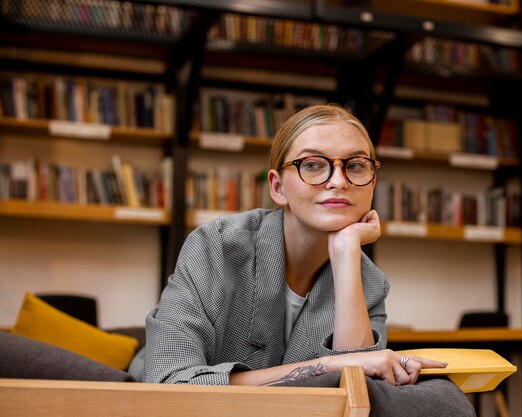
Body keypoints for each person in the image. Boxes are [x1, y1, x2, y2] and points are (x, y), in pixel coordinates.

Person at [130, 104, 475, 416]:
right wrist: (323, 366)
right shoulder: (217, 246)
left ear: (371, 183)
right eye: (312, 165)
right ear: (278, 187)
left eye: (355, 165)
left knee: (443, 398)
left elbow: (355, 394)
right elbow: (170, 386)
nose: (338, 181)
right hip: (153, 404)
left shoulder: (368, 281)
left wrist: (345, 254)